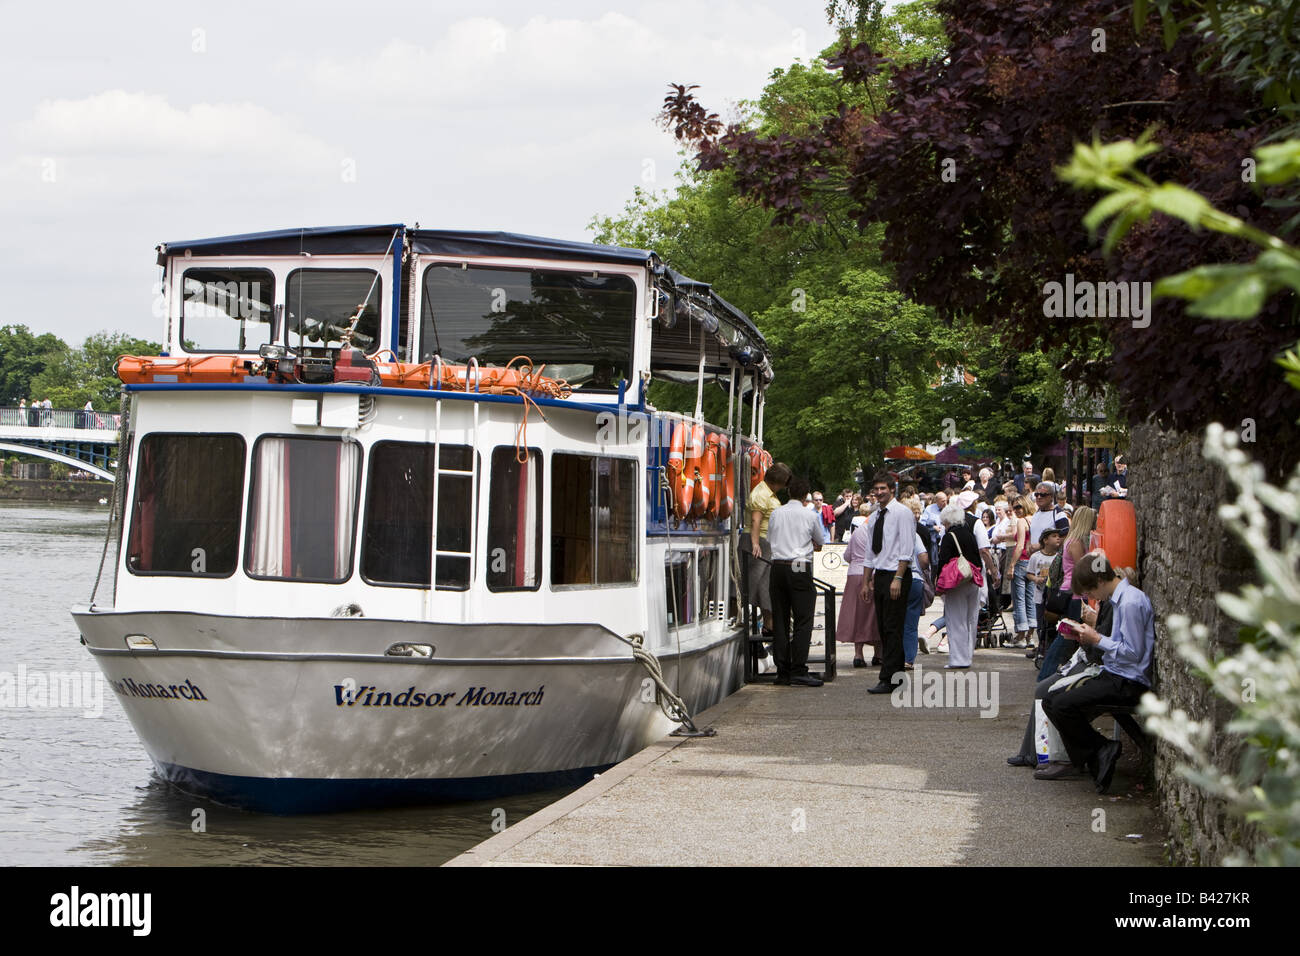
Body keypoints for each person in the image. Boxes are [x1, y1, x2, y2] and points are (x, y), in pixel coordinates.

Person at [1039, 553, 1155, 793]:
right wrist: (1088, 635)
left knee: (1062, 705)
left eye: (1091, 592)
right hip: (1114, 673)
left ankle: (1100, 751)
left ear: (1100, 582)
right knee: (1051, 700)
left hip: (1128, 681)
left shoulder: (1130, 602)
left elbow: (1133, 653)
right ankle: (1097, 753)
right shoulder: (1119, 600)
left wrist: (1097, 639)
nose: (1091, 598)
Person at [767, 474, 825, 686]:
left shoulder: (776, 513)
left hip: (778, 567)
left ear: (789, 491)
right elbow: (820, 540)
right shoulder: (809, 515)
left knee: (780, 620)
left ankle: (782, 671)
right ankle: (799, 668)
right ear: (805, 496)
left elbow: (770, 539)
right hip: (799, 566)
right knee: (803, 619)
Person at [863, 473, 916, 694]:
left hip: (897, 574)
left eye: (883, 488)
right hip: (881, 574)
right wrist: (866, 581)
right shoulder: (875, 516)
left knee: (893, 627)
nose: (879, 492)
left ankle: (889, 677)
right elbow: (870, 551)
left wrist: (898, 577)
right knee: (884, 627)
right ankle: (895, 675)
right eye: (876, 489)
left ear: (892, 490)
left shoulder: (902, 513)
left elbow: (906, 548)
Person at [935, 503, 981, 668]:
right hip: (972, 579)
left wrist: (938, 582)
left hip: (956, 583)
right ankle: (968, 656)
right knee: (971, 620)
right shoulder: (969, 534)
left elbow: (943, 560)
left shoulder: (949, 536)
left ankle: (958, 659)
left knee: (956, 620)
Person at [748, 462, 791, 639]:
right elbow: (755, 520)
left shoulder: (768, 493)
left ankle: (769, 624)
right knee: (755, 583)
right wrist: (755, 543)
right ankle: (761, 623)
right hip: (762, 541)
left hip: (769, 542)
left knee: (766, 585)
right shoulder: (761, 494)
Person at [838, 500, 881, 668]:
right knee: (874, 615)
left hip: (854, 573)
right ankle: (878, 653)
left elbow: (847, 556)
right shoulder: (877, 530)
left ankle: (858, 654)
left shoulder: (858, 531)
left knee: (857, 614)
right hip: (871, 574)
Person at [902, 497, 930, 667]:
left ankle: (894, 656)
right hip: (915, 579)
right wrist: (923, 569)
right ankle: (908, 659)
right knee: (911, 623)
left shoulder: (892, 533)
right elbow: (924, 558)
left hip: (894, 578)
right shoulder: (915, 535)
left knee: (895, 621)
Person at [1027, 528, 1062, 650]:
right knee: (1041, 622)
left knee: (1053, 623)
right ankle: (1041, 645)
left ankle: (1050, 646)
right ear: (1045, 540)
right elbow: (1029, 573)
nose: (1058, 538)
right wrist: (1036, 579)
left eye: (1058, 536)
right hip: (1039, 595)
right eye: (1054, 536)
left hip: (1054, 597)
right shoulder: (1036, 557)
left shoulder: (1059, 557)